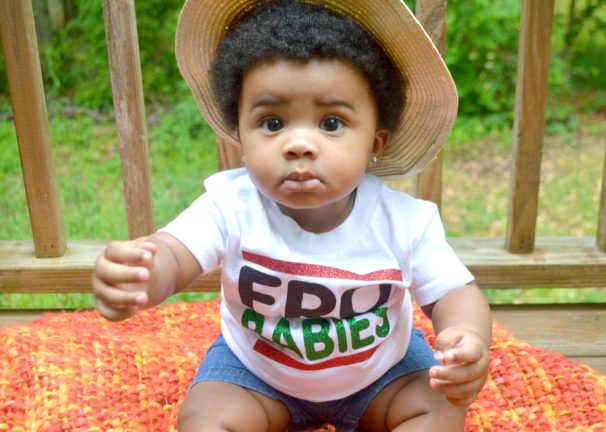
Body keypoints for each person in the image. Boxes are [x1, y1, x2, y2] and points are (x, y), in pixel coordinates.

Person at [92, 0, 492, 430]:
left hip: (382, 372)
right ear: (239, 135)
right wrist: (141, 274)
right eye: (272, 122)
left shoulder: (404, 221)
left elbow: (455, 292)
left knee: (438, 410)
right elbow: (175, 255)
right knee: (205, 418)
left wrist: (466, 337)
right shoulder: (230, 205)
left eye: (332, 123)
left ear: (376, 143)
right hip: (257, 373)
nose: (299, 144)